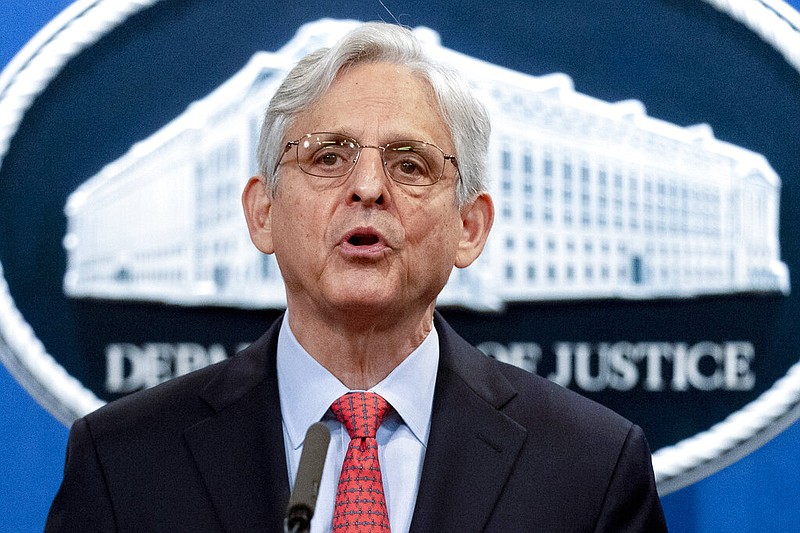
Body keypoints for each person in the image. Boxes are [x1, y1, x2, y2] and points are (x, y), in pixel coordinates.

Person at [46, 22, 668, 532]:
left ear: (469, 228)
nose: (368, 188)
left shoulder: (589, 468)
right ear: (263, 213)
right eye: (327, 157)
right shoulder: (124, 464)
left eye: (410, 164)